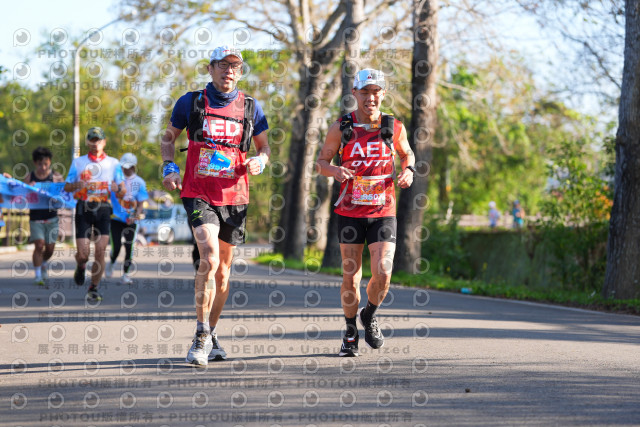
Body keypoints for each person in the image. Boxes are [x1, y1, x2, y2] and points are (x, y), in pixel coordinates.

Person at [161, 45, 270, 365]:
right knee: (208, 258)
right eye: (222, 65)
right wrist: (169, 167)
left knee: (223, 273)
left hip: (235, 196)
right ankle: (200, 335)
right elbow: (168, 138)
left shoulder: (251, 107)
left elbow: (264, 147)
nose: (229, 71)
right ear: (210, 69)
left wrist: (260, 162)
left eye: (235, 66)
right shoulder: (191, 102)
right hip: (199, 192)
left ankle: (211, 332)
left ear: (240, 72)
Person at [315, 68, 415, 357]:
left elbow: (407, 153)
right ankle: (350, 331)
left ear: (383, 94)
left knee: (383, 271)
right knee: (351, 276)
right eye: (365, 92)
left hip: (383, 209)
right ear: (355, 94)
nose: (370, 98)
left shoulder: (393, 126)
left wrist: (408, 170)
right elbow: (321, 162)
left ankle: (368, 314)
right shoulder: (341, 127)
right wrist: (334, 170)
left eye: (376, 92)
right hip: (350, 211)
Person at [64, 127, 125, 301]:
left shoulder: (113, 163)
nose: (94, 143)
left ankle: (94, 287)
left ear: (104, 142)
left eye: (98, 140)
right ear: (87, 142)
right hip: (83, 207)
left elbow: (123, 190)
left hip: (103, 208)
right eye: (91, 140)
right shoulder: (78, 162)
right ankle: (81, 265)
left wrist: (117, 188)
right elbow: (67, 186)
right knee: (83, 254)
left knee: (100, 251)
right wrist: (77, 185)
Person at [106, 153, 149, 285]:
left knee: (129, 247)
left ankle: (126, 274)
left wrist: (135, 216)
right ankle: (112, 262)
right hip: (115, 218)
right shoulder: (115, 180)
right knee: (116, 247)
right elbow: (107, 197)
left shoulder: (139, 182)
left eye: (128, 166)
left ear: (134, 167)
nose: (125, 169)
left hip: (131, 220)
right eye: (123, 166)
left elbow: (140, 203)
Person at [25, 147, 64, 286]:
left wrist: (56, 191)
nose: (43, 167)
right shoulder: (30, 177)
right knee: (39, 244)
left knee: (50, 248)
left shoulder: (56, 177)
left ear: (50, 162)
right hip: (36, 218)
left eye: (46, 164)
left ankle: (44, 263)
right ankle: (37, 276)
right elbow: (21, 195)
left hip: (51, 218)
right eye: (40, 164)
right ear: (35, 163)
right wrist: (28, 188)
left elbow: (65, 194)